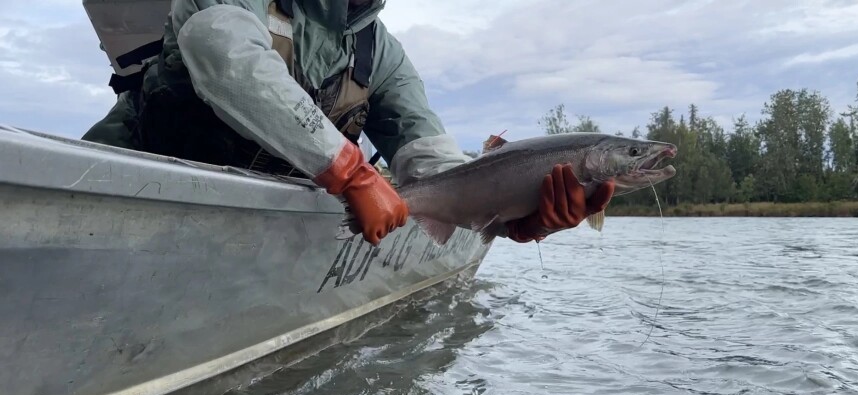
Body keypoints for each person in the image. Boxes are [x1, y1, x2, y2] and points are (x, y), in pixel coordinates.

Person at [83, 0, 613, 245]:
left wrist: (517, 218)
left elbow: (435, 164)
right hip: (107, 190)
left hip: (248, 228)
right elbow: (217, 46)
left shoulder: (383, 55)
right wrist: (354, 175)